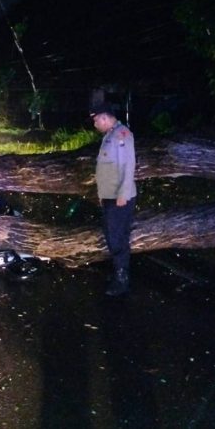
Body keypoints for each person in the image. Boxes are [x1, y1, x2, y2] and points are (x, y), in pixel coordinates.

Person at [90, 102, 137, 296]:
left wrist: (123, 195)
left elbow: (129, 166)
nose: (94, 125)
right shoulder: (109, 136)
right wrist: (103, 196)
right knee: (112, 236)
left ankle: (121, 280)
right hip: (110, 197)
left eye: (96, 120)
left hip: (119, 198)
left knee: (117, 238)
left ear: (105, 117)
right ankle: (119, 274)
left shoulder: (122, 135)